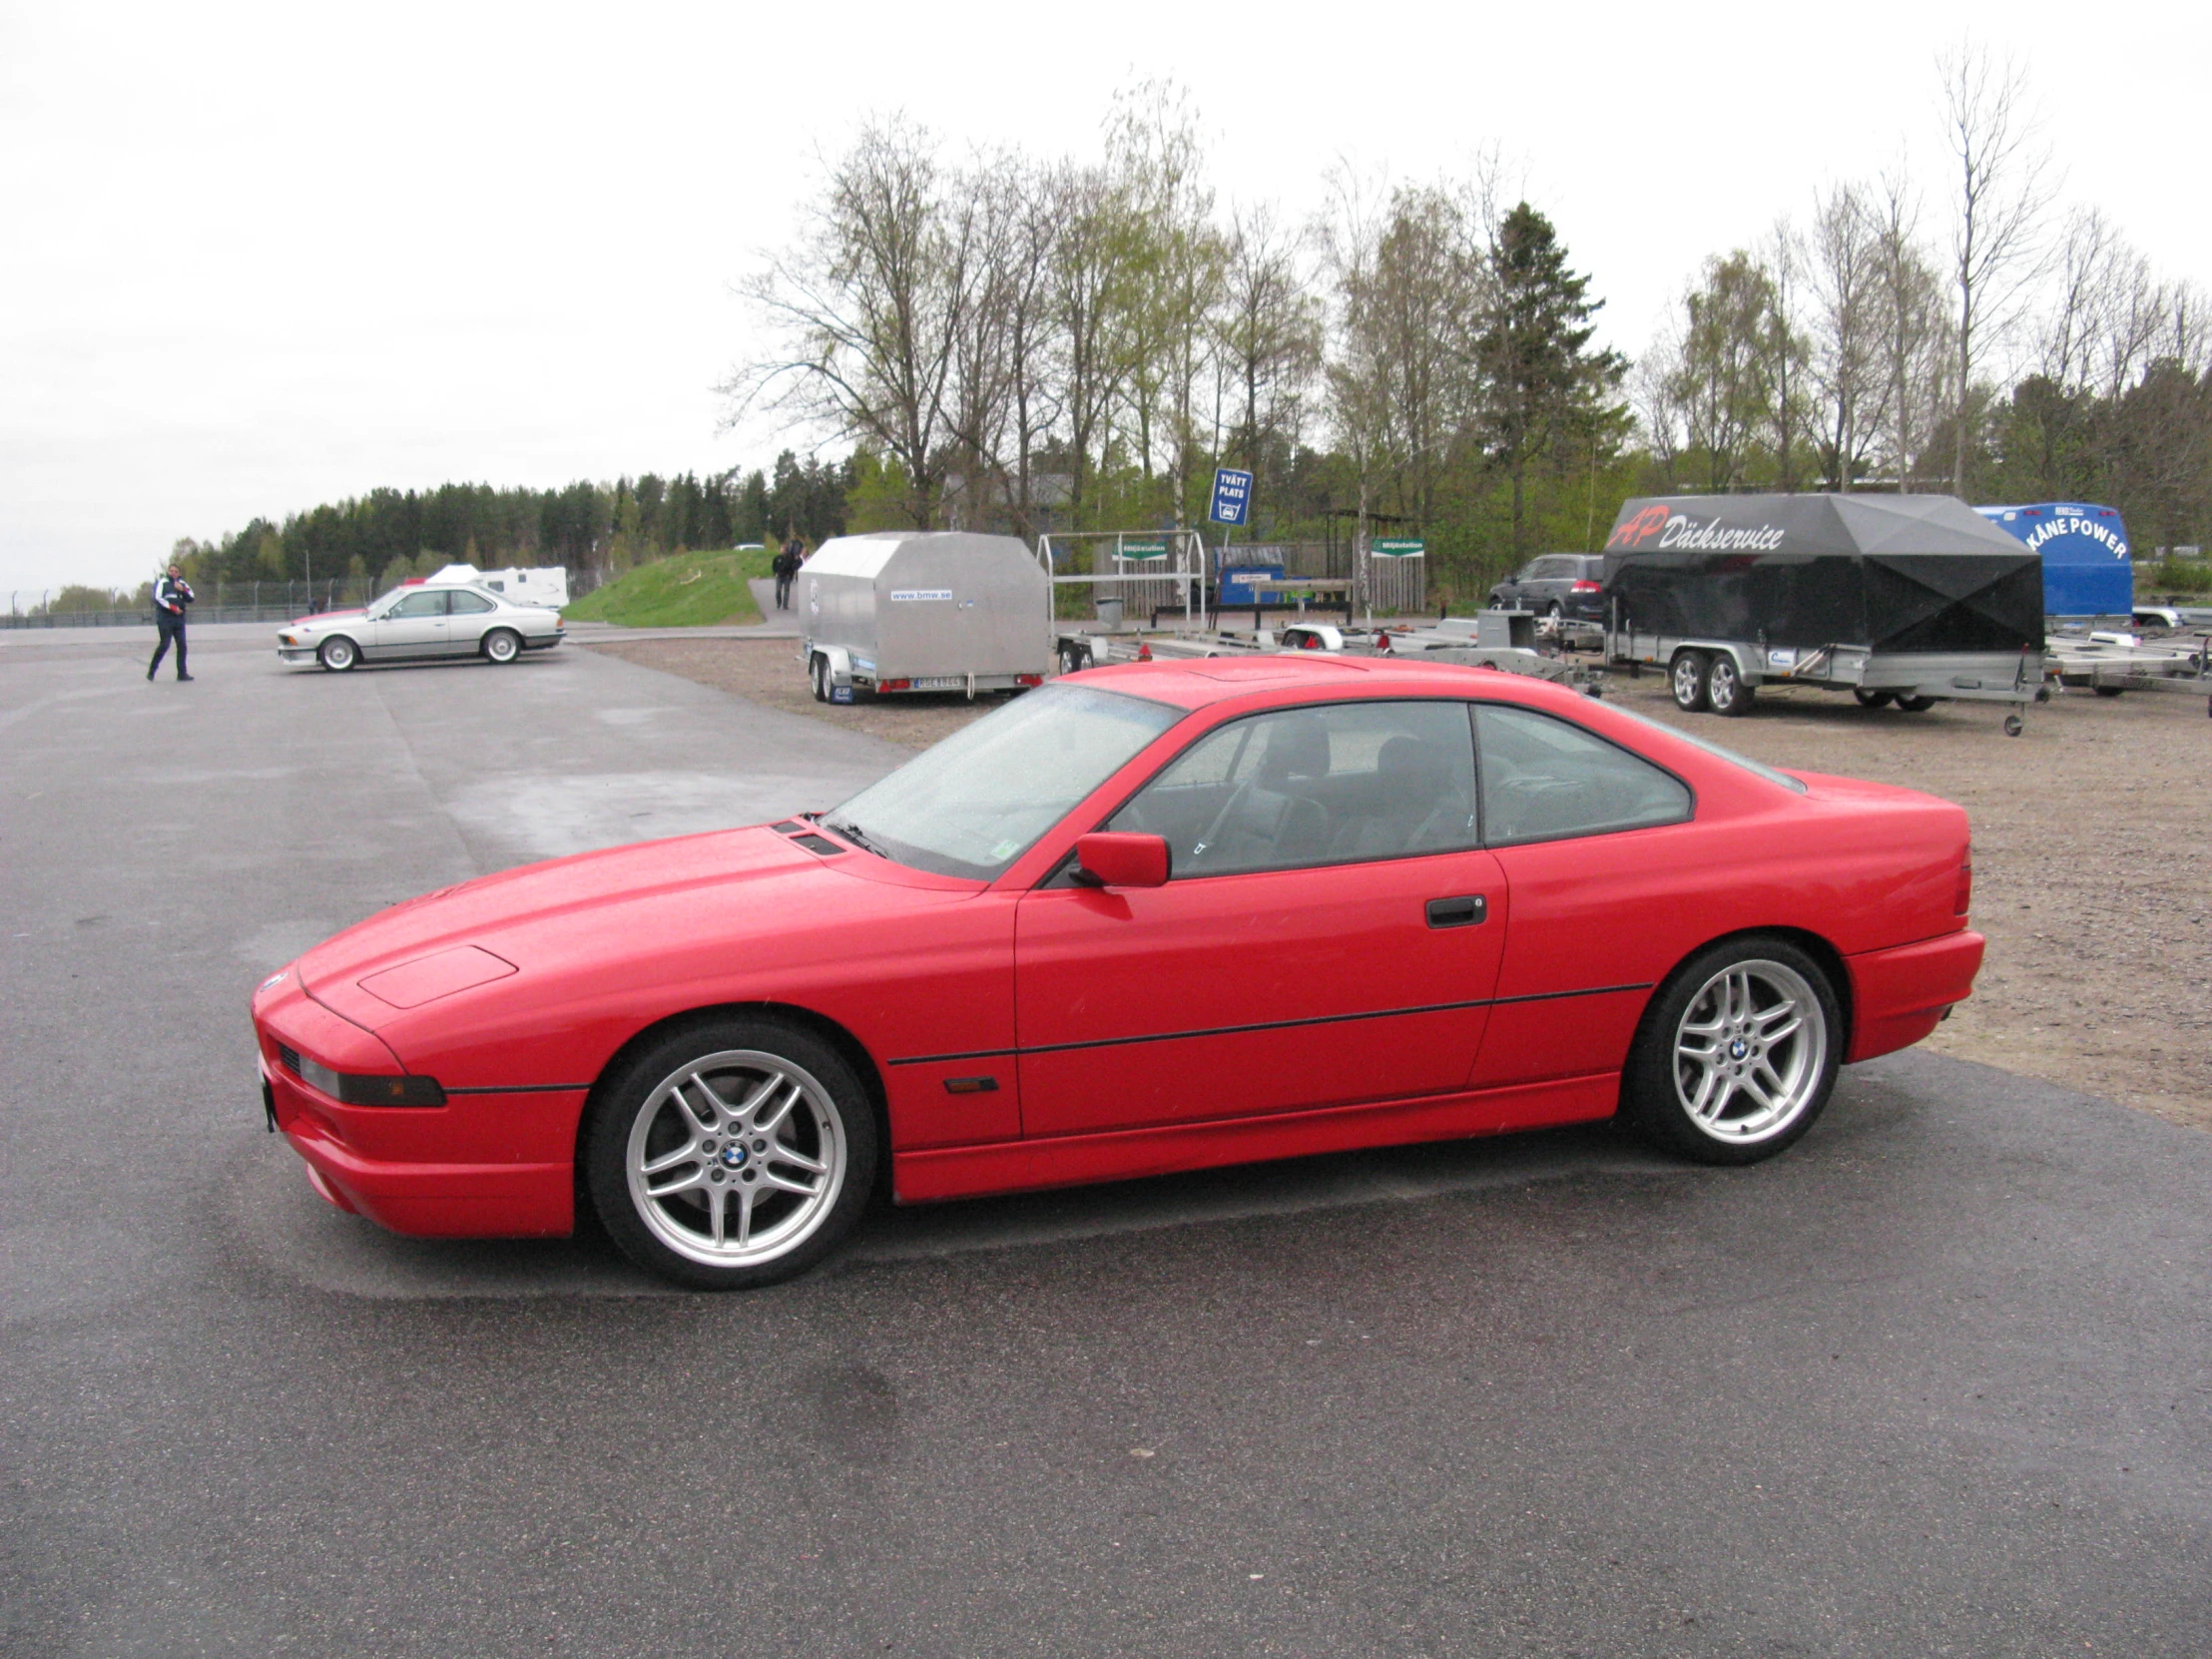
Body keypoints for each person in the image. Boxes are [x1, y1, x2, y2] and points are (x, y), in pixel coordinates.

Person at [148, 563, 195, 681]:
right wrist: (172, 608)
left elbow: (191, 597)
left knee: (182, 645)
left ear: (179, 573)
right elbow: (157, 598)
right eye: (171, 571)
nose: (173, 573)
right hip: (165, 618)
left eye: (176, 571)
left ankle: (182, 674)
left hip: (179, 620)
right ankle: (152, 671)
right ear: (168, 572)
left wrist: (182, 590)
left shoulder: (182, 584)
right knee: (164, 644)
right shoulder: (162, 583)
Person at [774, 535, 804, 610]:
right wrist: (775, 572)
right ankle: (779, 602)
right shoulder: (777, 558)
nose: (781, 551)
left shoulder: (790, 558)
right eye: (781, 550)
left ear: (786, 551)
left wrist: (790, 575)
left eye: (783, 550)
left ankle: (785, 605)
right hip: (779, 576)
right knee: (778, 590)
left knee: (786, 591)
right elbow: (774, 566)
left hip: (787, 576)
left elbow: (793, 566)